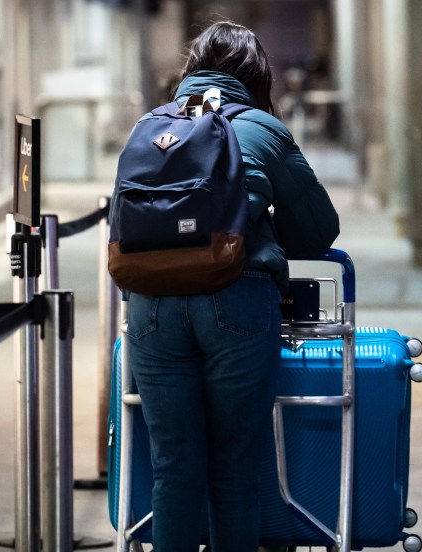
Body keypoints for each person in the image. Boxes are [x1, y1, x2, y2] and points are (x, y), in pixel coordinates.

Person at [121, 20, 340, 552]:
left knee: (173, 467)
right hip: (236, 300)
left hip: (151, 306)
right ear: (257, 75)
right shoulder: (264, 129)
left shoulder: (150, 126)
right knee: (235, 466)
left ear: (190, 71)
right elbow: (318, 231)